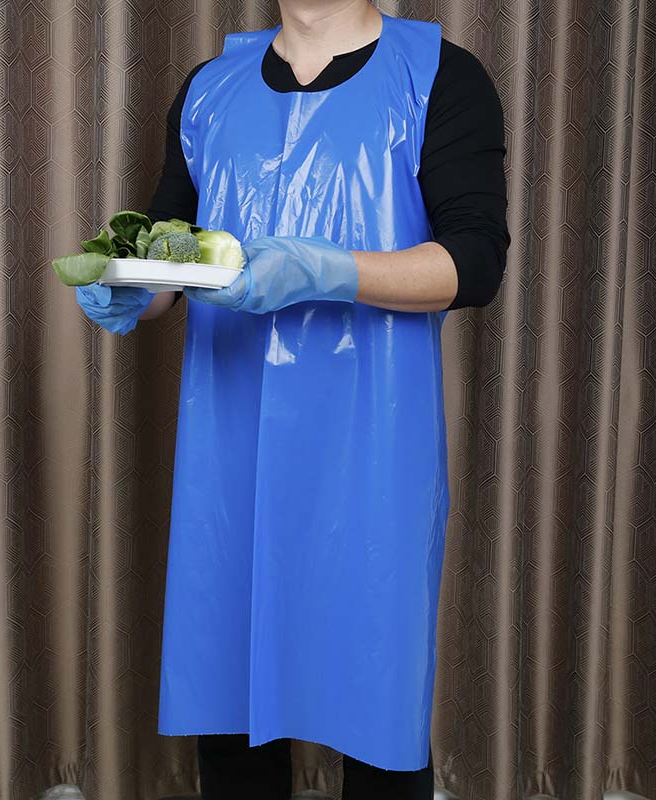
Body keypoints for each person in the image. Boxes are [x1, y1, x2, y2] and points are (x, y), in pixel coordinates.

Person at [76, 1, 510, 798]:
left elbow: (475, 261)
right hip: (228, 448)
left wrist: (325, 270)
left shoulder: (438, 78)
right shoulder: (209, 91)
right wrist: (129, 286)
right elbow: (173, 252)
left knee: (378, 698)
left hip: (371, 440)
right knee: (230, 700)